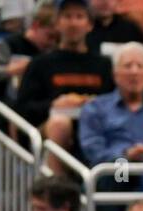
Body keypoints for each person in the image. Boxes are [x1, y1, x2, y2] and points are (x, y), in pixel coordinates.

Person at [15, 0, 113, 159]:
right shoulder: (40, 64)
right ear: (57, 23)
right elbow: (23, 109)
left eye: (79, 17)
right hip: (49, 130)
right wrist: (53, 105)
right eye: (67, 16)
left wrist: (91, 104)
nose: (73, 23)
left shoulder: (104, 65)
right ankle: (58, 181)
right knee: (60, 123)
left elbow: (115, 102)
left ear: (89, 25)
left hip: (95, 127)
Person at [78, 41, 143, 166]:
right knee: (121, 174)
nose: (134, 72)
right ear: (115, 74)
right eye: (127, 66)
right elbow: (93, 152)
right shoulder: (95, 108)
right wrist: (126, 155)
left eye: (140, 66)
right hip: (116, 170)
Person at [0, 4, 60, 103]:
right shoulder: (8, 45)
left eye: (57, 39)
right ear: (36, 26)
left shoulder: (53, 51)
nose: (52, 43)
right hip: (5, 105)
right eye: (50, 36)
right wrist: (10, 70)